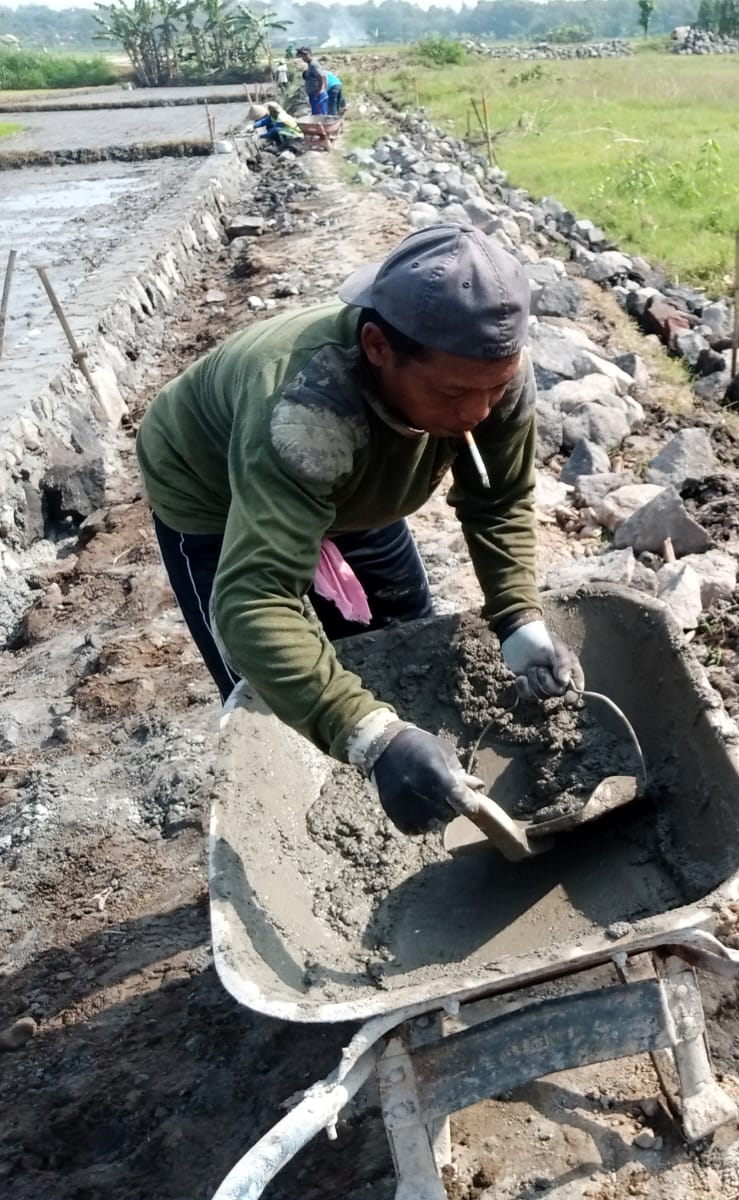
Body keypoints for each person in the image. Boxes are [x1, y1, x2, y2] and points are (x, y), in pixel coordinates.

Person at [136, 225, 582, 838]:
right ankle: (326, 813)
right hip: (215, 491)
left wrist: (518, 617)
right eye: (454, 393)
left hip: (350, 484)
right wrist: (369, 736)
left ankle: (428, 774)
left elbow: (497, 495)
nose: (476, 413)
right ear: (376, 346)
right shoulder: (306, 412)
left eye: (495, 388)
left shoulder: (486, 372)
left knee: (407, 638)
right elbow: (253, 602)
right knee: (271, 694)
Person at [297, 45, 328, 115]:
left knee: (320, 116)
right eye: (302, 55)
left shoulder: (313, 64)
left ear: (310, 54)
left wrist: (320, 90)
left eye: (305, 55)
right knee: (316, 115)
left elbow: (321, 76)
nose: (303, 57)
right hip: (314, 95)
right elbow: (323, 76)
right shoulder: (310, 65)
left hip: (317, 95)